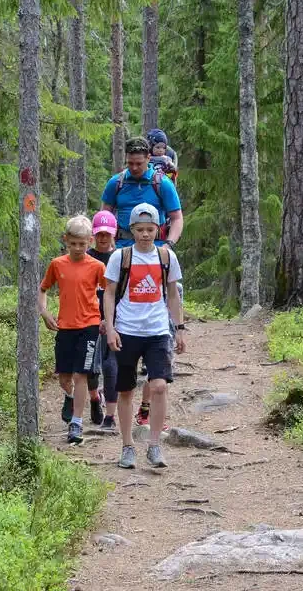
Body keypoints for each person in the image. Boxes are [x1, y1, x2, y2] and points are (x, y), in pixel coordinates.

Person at [102, 136, 185, 427]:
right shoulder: (117, 183)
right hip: (123, 258)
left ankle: (149, 406)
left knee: (160, 336)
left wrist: (169, 246)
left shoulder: (162, 184)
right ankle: (113, 399)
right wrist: (109, 246)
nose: (134, 167)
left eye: (139, 163)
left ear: (148, 159)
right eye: (130, 162)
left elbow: (176, 218)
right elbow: (105, 215)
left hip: (157, 257)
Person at [102, 203, 187, 469]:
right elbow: (109, 293)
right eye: (140, 230)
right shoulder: (120, 256)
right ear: (132, 230)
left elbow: (173, 294)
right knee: (125, 390)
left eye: (150, 229)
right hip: (127, 331)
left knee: (159, 386)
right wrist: (111, 327)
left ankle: (154, 445)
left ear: (158, 230)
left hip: (158, 331)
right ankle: (127, 446)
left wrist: (180, 328)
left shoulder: (166, 258)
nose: (145, 235)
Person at [38, 215, 107, 444]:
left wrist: (107, 320)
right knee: (65, 378)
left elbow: (109, 293)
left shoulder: (97, 266)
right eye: (73, 243)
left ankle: (76, 423)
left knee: (81, 375)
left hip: (89, 326)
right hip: (64, 327)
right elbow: (43, 289)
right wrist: (45, 312)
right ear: (66, 240)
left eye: (83, 244)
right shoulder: (57, 264)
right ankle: (69, 397)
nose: (78, 248)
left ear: (90, 241)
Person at [89, 210, 119, 430]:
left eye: (107, 234)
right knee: (90, 369)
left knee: (110, 367)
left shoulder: (120, 258)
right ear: (93, 234)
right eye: (99, 233)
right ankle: (93, 398)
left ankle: (110, 415)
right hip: (87, 319)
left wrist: (110, 321)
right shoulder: (86, 256)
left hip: (114, 320)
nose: (103, 238)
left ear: (113, 234)